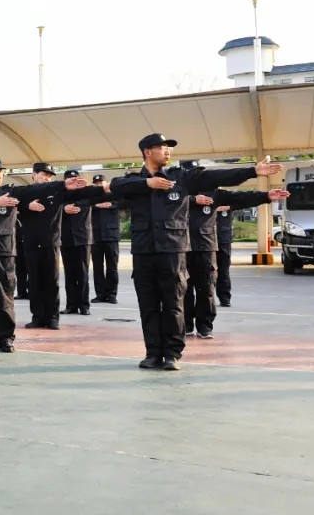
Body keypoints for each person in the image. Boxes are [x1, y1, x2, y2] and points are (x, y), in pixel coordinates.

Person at [109, 133, 284, 371]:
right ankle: (152, 353)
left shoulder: (181, 178)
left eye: (169, 147)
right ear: (147, 152)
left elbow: (216, 176)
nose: (168, 151)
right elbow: (115, 186)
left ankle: (172, 353)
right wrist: (147, 184)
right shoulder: (133, 182)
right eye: (162, 147)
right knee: (148, 305)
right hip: (144, 251)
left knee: (173, 303)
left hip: (173, 249)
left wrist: (252, 171)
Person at [0, 158, 85, 352]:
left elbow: (36, 189)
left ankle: (5, 337)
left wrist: (63, 184)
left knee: (3, 296)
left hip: (2, 251)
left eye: (0, 172)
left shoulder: (10, 192)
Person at [182, 176, 283, 338]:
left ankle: (205, 326)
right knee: (184, 289)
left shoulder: (214, 194)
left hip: (206, 247)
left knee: (206, 288)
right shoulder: (179, 192)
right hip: (182, 248)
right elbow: (159, 199)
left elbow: (240, 197)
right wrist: (193, 200)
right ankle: (186, 325)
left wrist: (266, 196)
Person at [20, 163, 103, 328]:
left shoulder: (57, 192)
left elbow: (83, 196)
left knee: (52, 281)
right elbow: (13, 203)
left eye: (49, 176)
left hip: (51, 242)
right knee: (34, 281)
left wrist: (102, 188)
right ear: (33, 175)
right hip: (31, 242)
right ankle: (37, 317)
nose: (46, 178)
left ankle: (52, 317)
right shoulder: (25, 193)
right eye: (43, 174)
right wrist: (27, 205)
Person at [60, 169, 102, 317]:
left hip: (83, 238)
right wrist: (63, 209)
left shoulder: (86, 193)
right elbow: (51, 207)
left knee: (82, 273)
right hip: (66, 238)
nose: (74, 181)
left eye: (76, 179)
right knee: (69, 273)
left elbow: (100, 195)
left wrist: (89, 186)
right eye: (70, 179)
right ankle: (71, 305)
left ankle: (84, 305)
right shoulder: (61, 195)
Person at [90, 175, 121, 305]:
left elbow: (124, 203)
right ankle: (100, 294)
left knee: (112, 267)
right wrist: (97, 205)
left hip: (111, 236)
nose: (98, 185)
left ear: (106, 183)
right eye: (96, 183)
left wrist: (110, 204)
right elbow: (85, 205)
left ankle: (112, 294)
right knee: (97, 267)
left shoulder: (114, 194)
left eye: (101, 182)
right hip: (95, 236)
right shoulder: (91, 197)